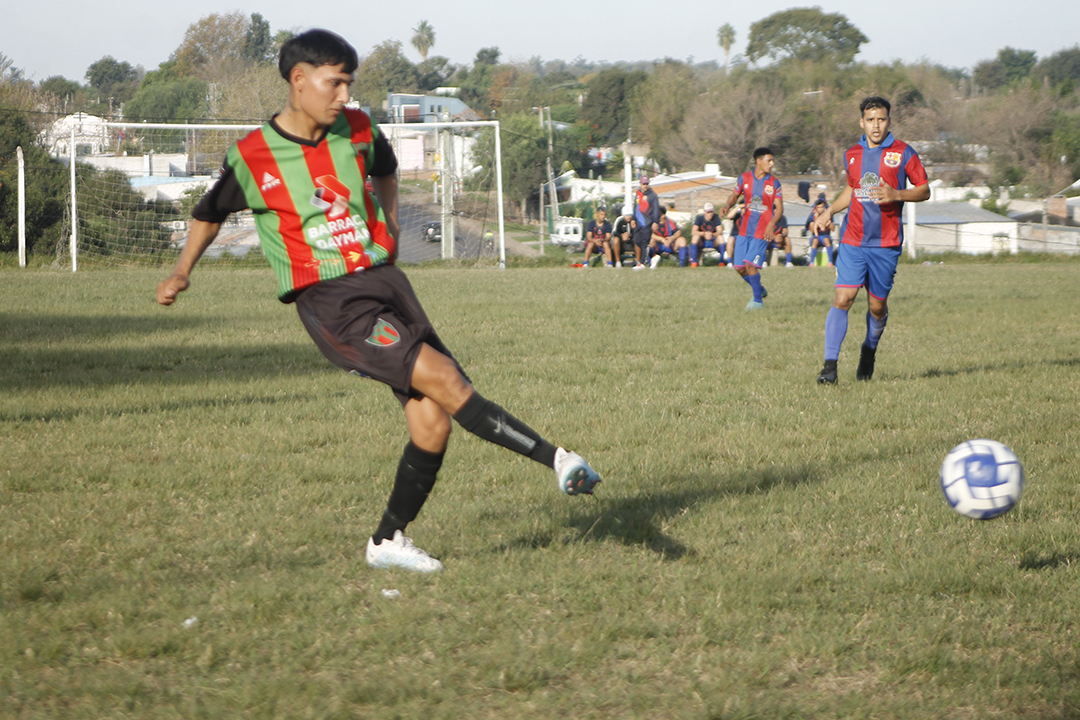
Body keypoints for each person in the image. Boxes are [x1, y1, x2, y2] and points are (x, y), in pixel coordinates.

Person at [155, 30, 601, 574]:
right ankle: (558, 459)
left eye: (349, 82)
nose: (345, 94)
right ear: (299, 80)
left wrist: (387, 225)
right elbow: (209, 212)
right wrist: (181, 272)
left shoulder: (359, 130)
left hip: (387, 282)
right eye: (335, 81)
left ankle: (387, 542)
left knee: (432, 425)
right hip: (332, 302)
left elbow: (386, 171)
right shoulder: (254, 156)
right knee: (449, 383)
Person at [811, 96, 930, 384]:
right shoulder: (851, 154)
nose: (876, 125)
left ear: (889, 121)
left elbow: (924, 190)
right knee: (843, 298)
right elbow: (852, 190)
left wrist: (896, 194)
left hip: (886, 245)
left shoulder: (904, 153)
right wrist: (828, 212)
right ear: (861, 122)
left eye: (882, 119)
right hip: (853, 240)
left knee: (877, 307)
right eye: (871, 119)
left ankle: (869, 350)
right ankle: (829, 367)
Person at [720, 147, 783, 310]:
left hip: (763, 232)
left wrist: (771, 224)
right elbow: (734, 195)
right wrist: (727, 206)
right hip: (744, 230)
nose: (772, 163)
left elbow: (780, 208)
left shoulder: (774, 183)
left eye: (772, 160)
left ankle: (757, 302)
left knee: (750, 265)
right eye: (769, 160)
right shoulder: (744, 178)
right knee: (739, 268)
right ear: (759, 161)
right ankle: (759, 289)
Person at [631, 175, 660, 270]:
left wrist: (655, 221)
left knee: (645, 243)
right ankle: (654, 256)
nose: (645, 186)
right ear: (640, 184)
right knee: (636, 240)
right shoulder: (638, 193)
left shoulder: (652, 195)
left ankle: (642, 263)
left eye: (646, 184)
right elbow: (635, 206)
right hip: (638, 222)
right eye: (643, 184)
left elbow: (656, 209)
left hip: (647, 222)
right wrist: (633, 219)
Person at [691, 202, 726, 267]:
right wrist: (704, 234)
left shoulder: (716, 217)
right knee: (695, 237)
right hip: (702, 241)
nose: (710, 214)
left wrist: (712, 234)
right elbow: (693, 231)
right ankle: (694, 262)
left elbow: (720, 231)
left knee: (720, 237)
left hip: (713, 241)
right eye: (708, 212)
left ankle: (721, 261)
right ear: (704, 212)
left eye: (711, 212)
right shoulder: (699, 217)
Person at [806, 202, 835, 267]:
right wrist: (816, 219)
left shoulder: (828, 215)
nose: (821, 209)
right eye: (819, 207)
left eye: (822, 207)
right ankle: (812, 262)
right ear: (816, 208)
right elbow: (813, 230)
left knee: (826, 240)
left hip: (826, 236)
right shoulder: (812, 216)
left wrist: (828, 221)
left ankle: (830, 262)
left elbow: (833, 228)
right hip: (816, 236)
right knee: (815, 241)